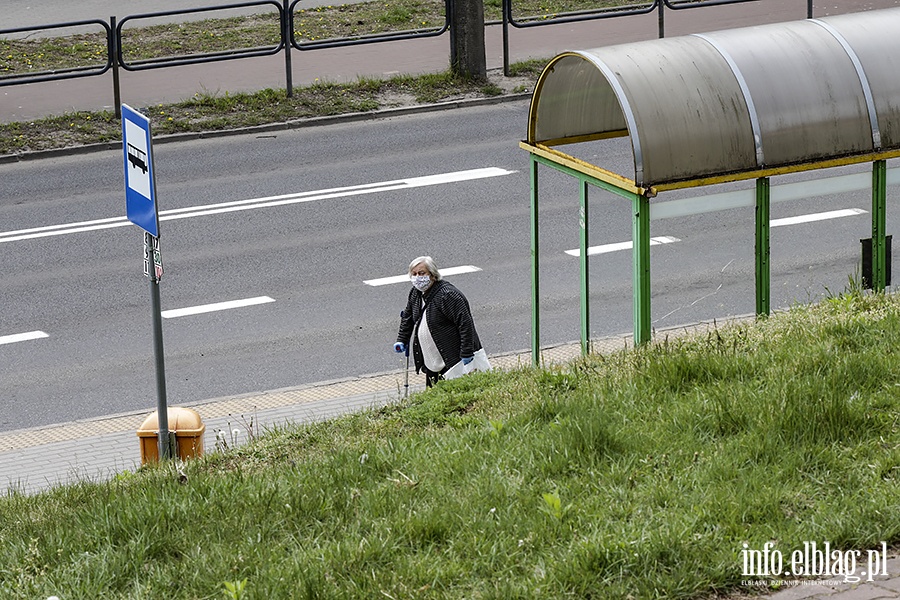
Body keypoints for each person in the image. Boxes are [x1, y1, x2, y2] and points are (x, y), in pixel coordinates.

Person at [394, 256, 484, 387]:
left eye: (422, 273)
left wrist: (466, 352)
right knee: (433, 394)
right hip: (432, 361)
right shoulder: (416, 293)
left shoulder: (448, 295)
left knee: (453, 395)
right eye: (414, 274)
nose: (417, 277)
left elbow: (465, 324)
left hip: (453, 361)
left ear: (433, 275)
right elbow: (407, 316)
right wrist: (402, 339)